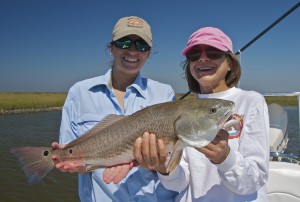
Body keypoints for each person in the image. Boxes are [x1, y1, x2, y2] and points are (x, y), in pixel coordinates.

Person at [133, 27, 270, 201]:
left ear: (229, 63)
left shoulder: (251, 101)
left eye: (213, 53)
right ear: (189, 65)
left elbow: (255, 180)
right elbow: (179, 184)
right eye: (194, 55)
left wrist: (225, 158)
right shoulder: (182, 109)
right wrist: (164, 168)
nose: (203, 58)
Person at [51, 16, 178, 202]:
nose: (133, 50)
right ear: (112, 48)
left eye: (142, 45)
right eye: (124, 42)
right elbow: (69, 148)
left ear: (149, 53)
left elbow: (173, 157)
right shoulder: (79, 92)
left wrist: (160, 163)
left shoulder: (164, 93)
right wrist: (75, 162)